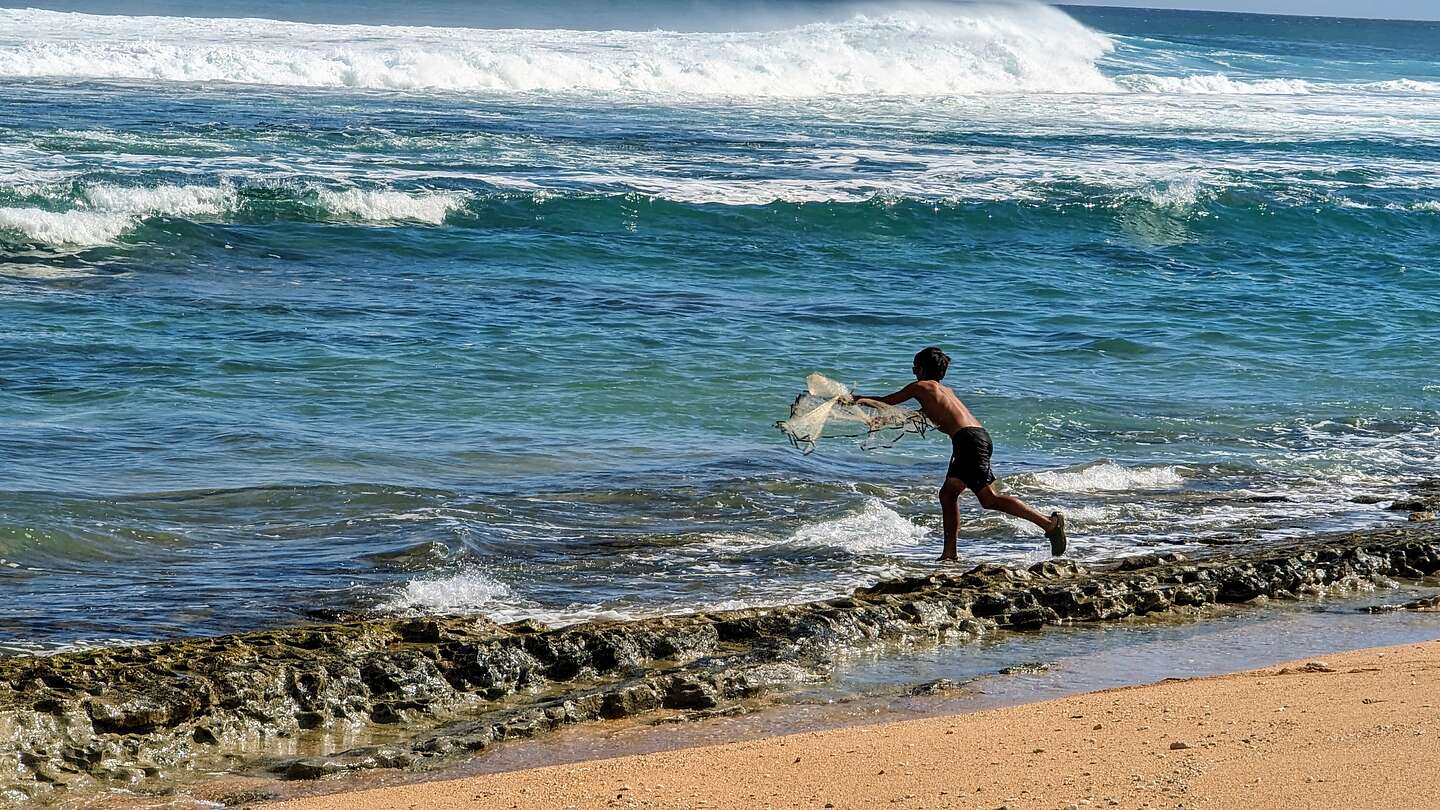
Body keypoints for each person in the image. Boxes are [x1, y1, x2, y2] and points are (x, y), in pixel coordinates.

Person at [851, 346, 1067, 561]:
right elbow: (920, 416)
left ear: (922, 369)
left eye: (915, 368)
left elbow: (885, 402)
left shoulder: (921, 386)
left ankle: (1049, 523)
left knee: (989, 499)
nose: (914, 372)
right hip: (977, 438)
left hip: (968, 442)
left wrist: (856, 400)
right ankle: (949, 554)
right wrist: (882, 421)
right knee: (949, 495)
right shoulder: (945, 392)